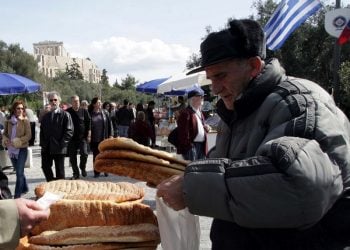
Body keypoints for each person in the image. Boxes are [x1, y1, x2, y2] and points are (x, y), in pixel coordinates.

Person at [157, 19, 350, 249]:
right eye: (211, 79)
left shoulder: (299, 103)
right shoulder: (238, 109)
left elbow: (298, 187)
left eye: (221, 76)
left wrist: (192, 187)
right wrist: (179, 174)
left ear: (254, 66)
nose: (215, 89)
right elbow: (234, 166)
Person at [40, 91, 74, 182]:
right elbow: (42, 132)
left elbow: (69, 131)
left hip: (59, 147)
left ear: (59, 101)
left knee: (60, 171)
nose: (53, 102)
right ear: (49, 101)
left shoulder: (65, 115)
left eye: (55, 100)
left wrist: (62, 144)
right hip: (47, 147)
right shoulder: (46, 117)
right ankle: (51, 183)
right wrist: (43, 145)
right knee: (45, 167)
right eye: (51, 100)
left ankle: (60, 191)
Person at [2, 101, 31, 198]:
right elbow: (5, 134)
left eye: (22, 108)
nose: (20, 110)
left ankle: (17, 196)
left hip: (22, 149)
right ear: (14, 109)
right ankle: (25, 188)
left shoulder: (25, 121)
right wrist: (6, 140)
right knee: (20, 172)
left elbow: (28, 136)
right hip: (11, 150)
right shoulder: (8, 121)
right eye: (18, 108)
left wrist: (17, 141)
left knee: (19, 173)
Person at [176, 89, 209, 160]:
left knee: (200, 168)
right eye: (200, 97)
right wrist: (189, 147)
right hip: (192, 147)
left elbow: (198, 127)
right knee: (193, 169)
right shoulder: (186, 113)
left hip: (202, 145)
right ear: (193, 99)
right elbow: (183, 133)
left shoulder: (199, 112)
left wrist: (205, 128)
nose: (202, 99)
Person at [66, 95, 91, 179]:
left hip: (82, 138)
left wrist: (89, 134)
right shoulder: (67, 112)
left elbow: (88, 123)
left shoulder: (84, 111)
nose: (76, 102)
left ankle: (82, 167)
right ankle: (76, 173)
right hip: (71, 139)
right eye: (74, 101)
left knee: (85, 154)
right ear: (71, 103)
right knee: (72, 157)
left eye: (77, 101)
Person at [88, 97, 113, 178]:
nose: (100, 104)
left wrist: (111, 135)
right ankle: (97, 171)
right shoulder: (90, 114)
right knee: (96, 156)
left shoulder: (105, 113)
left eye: (100, 102)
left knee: (105, 155)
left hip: (104, 138)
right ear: (94, 104)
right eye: (98, 102)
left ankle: (106, 170)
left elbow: (110, 125)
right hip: (95, 139)